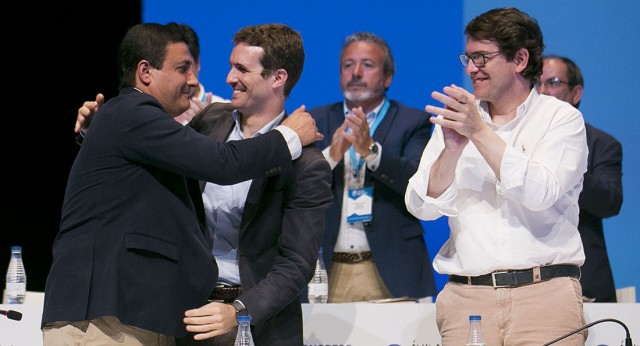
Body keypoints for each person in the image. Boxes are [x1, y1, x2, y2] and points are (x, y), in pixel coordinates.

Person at [42, 22, 321, 345]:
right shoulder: (204, 124)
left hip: (251, 325)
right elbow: (222, 163)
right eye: (183, 69)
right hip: (162, 317)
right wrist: (288, 137)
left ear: (278, 77)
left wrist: (240, 310)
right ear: (145, 72)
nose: (226, 78)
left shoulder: (308, 163)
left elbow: (297, 263)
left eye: (241, 69)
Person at [405, 7, 589, 345]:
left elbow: (540, 193)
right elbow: (422, 206)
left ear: (519, 59)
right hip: (468, 300)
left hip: (544, 298)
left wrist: (479, 133)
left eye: (481, 58)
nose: (471, 68)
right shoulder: (456, 120)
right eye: (468, 57)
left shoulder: (561, 120)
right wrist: (452, 150)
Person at [308, 31, 436, 303]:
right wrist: (332, 153)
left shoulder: (413, 122)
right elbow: (298, 185)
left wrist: (370, 151)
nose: (355, 72)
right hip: (329, 269)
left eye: (367, 65)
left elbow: (417, 183)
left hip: (392, 268)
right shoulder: (315, 120)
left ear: (387, 77)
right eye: (348, 65)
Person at [537, 54, 623, 303]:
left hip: (583, 277)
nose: (542, 91)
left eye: (552, 82)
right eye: (536, 83)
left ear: (576, 93)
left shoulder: (601, 144)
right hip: (523, 276)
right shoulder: (512, 141)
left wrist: (569, 169)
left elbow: (610, 202)